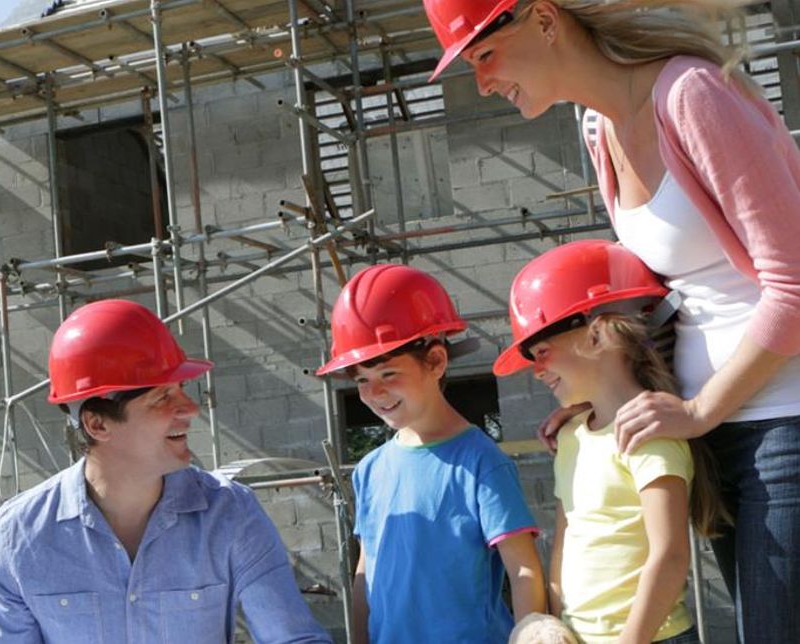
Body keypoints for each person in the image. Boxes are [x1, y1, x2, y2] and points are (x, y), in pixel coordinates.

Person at [424, 0, 800, 640]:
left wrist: (701, 409)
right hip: (714, 430)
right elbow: (655, 298)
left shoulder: (691, 94)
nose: (480, 82)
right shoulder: (598, 129)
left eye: (483, 54)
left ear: (544, 19)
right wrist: (602, 396)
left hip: (782, 425)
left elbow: (793, 284)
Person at [0, 299, 330, 643]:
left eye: (182, 389)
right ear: (98, 424)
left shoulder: (230, 513)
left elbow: (293, 638)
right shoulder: (21, 536)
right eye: (162, 398)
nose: (191, 409)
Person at [495, 240, 730, 643]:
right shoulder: (570, 436)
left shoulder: (650, 435)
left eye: (543, 352)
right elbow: (564, 543)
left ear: (598, 334)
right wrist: (552, 624)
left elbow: (670, 557)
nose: (536, 371)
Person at [316, 264, 546, 643]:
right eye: (362, 380)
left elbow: (524, 571)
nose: (375, 393)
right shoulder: (370, 470)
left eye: (388, 374)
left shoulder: (480, 462)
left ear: (436, 362)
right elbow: (365, 575)